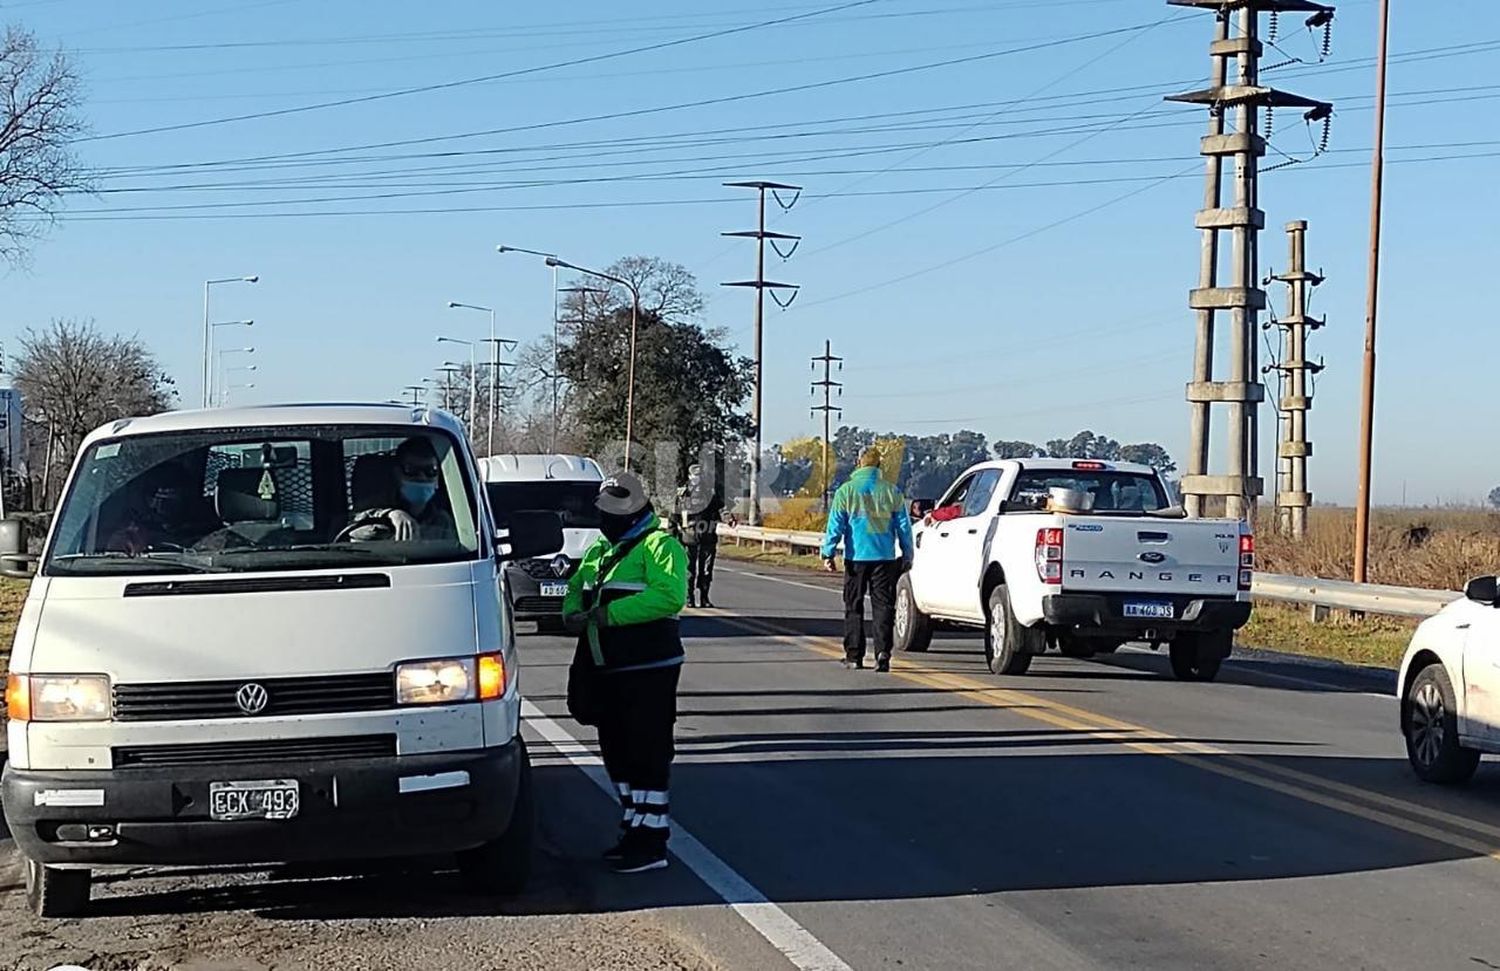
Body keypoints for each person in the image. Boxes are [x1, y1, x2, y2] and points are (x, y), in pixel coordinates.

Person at [562, 472, 688, 874]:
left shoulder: (659, 546)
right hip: (608, 667)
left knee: (646, 753)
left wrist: (607, 615)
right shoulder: (602, 549)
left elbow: (669, 596)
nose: (606, 518)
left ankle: (651, 843)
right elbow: (577, 586)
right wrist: (572, 614)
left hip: (648, 669)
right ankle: (634, 827)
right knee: (617, 751)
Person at [820, 447, 914, 673]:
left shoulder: (846, 491)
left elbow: (836, 525)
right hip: (884, 558)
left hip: (857, 558)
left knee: (854, 606)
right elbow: (904, 526)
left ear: (858, 463)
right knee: (883, 606)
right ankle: (883, 653)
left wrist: (828, 552)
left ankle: (854, 655)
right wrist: (908, 553)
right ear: (879, 466)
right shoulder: (892, 491)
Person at [349, 437, 456, 542]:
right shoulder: (373, 509)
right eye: (411, 470)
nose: (422, 477)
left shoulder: (444, 522)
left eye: (431, 471)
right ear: (397, 474)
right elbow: (354, 526)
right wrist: (391, 514)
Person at [673, 462, 724, 608]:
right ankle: (689, 597)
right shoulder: (682, 494)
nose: (698, 479)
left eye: (700, 476)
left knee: (706, 570)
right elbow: (673, 515)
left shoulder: (711, 493)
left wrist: (728, 518)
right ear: (690, 476)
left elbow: (721, 509)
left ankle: (704, 598)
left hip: (708, 537)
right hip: (688, 537)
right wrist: (673, 535)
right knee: (689, 570)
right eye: (695, 476)